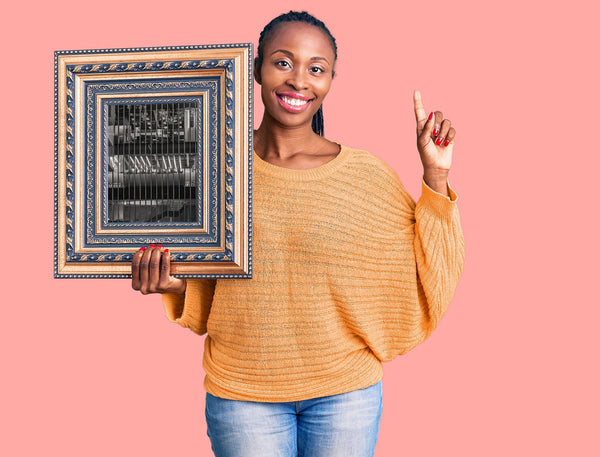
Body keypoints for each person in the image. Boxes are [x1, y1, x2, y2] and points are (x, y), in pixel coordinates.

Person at [131, 10, 464, 457]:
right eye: (283, 62)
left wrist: (435, 176)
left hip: (345, 393)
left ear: (330, 81)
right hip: (241, 391)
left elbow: (431, 265)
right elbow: (209, 285)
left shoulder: (366, 176)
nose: (299, 81)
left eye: (316, 69)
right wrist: (173, 284)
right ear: (256, 69)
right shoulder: (213, 169)